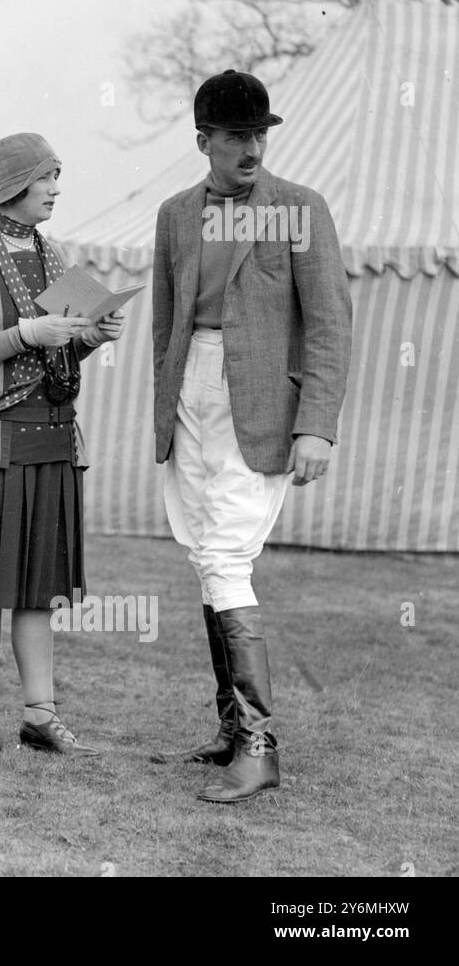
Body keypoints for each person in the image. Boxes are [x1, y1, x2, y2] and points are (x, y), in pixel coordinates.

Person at [149, 70, 352, 803]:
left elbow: (329, 323)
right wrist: (165, 409)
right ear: (203, 141)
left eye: (260, 134)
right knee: (205, 553)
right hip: (192, 397)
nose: (251, 148)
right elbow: (166, 326)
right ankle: (234, 727)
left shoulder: (299, 208)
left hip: (262, 404)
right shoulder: (176, 214)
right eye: (236, 135)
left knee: (227, 554)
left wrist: (317, 426)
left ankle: (261, 746)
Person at [0, 134, 124, 757]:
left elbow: (60, 350)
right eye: (48, 177)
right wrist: (25, 332)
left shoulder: (54, 250)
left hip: (54, 435)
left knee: (41, 587)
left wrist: (93, 334)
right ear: (16, 183)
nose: (56, 189)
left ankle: (40, 715)